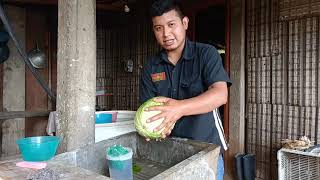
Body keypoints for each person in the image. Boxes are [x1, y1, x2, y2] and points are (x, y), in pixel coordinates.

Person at [139, 0, 232, 179]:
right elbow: (148, 108)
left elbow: (220, 94)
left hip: (205, 149)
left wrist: (178, 108)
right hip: (168, 153)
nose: (166, 33)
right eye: (158, 28)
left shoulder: (206, 53)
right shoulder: (151, 67)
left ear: (185, 23)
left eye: (171, 24)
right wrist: (150, 129)